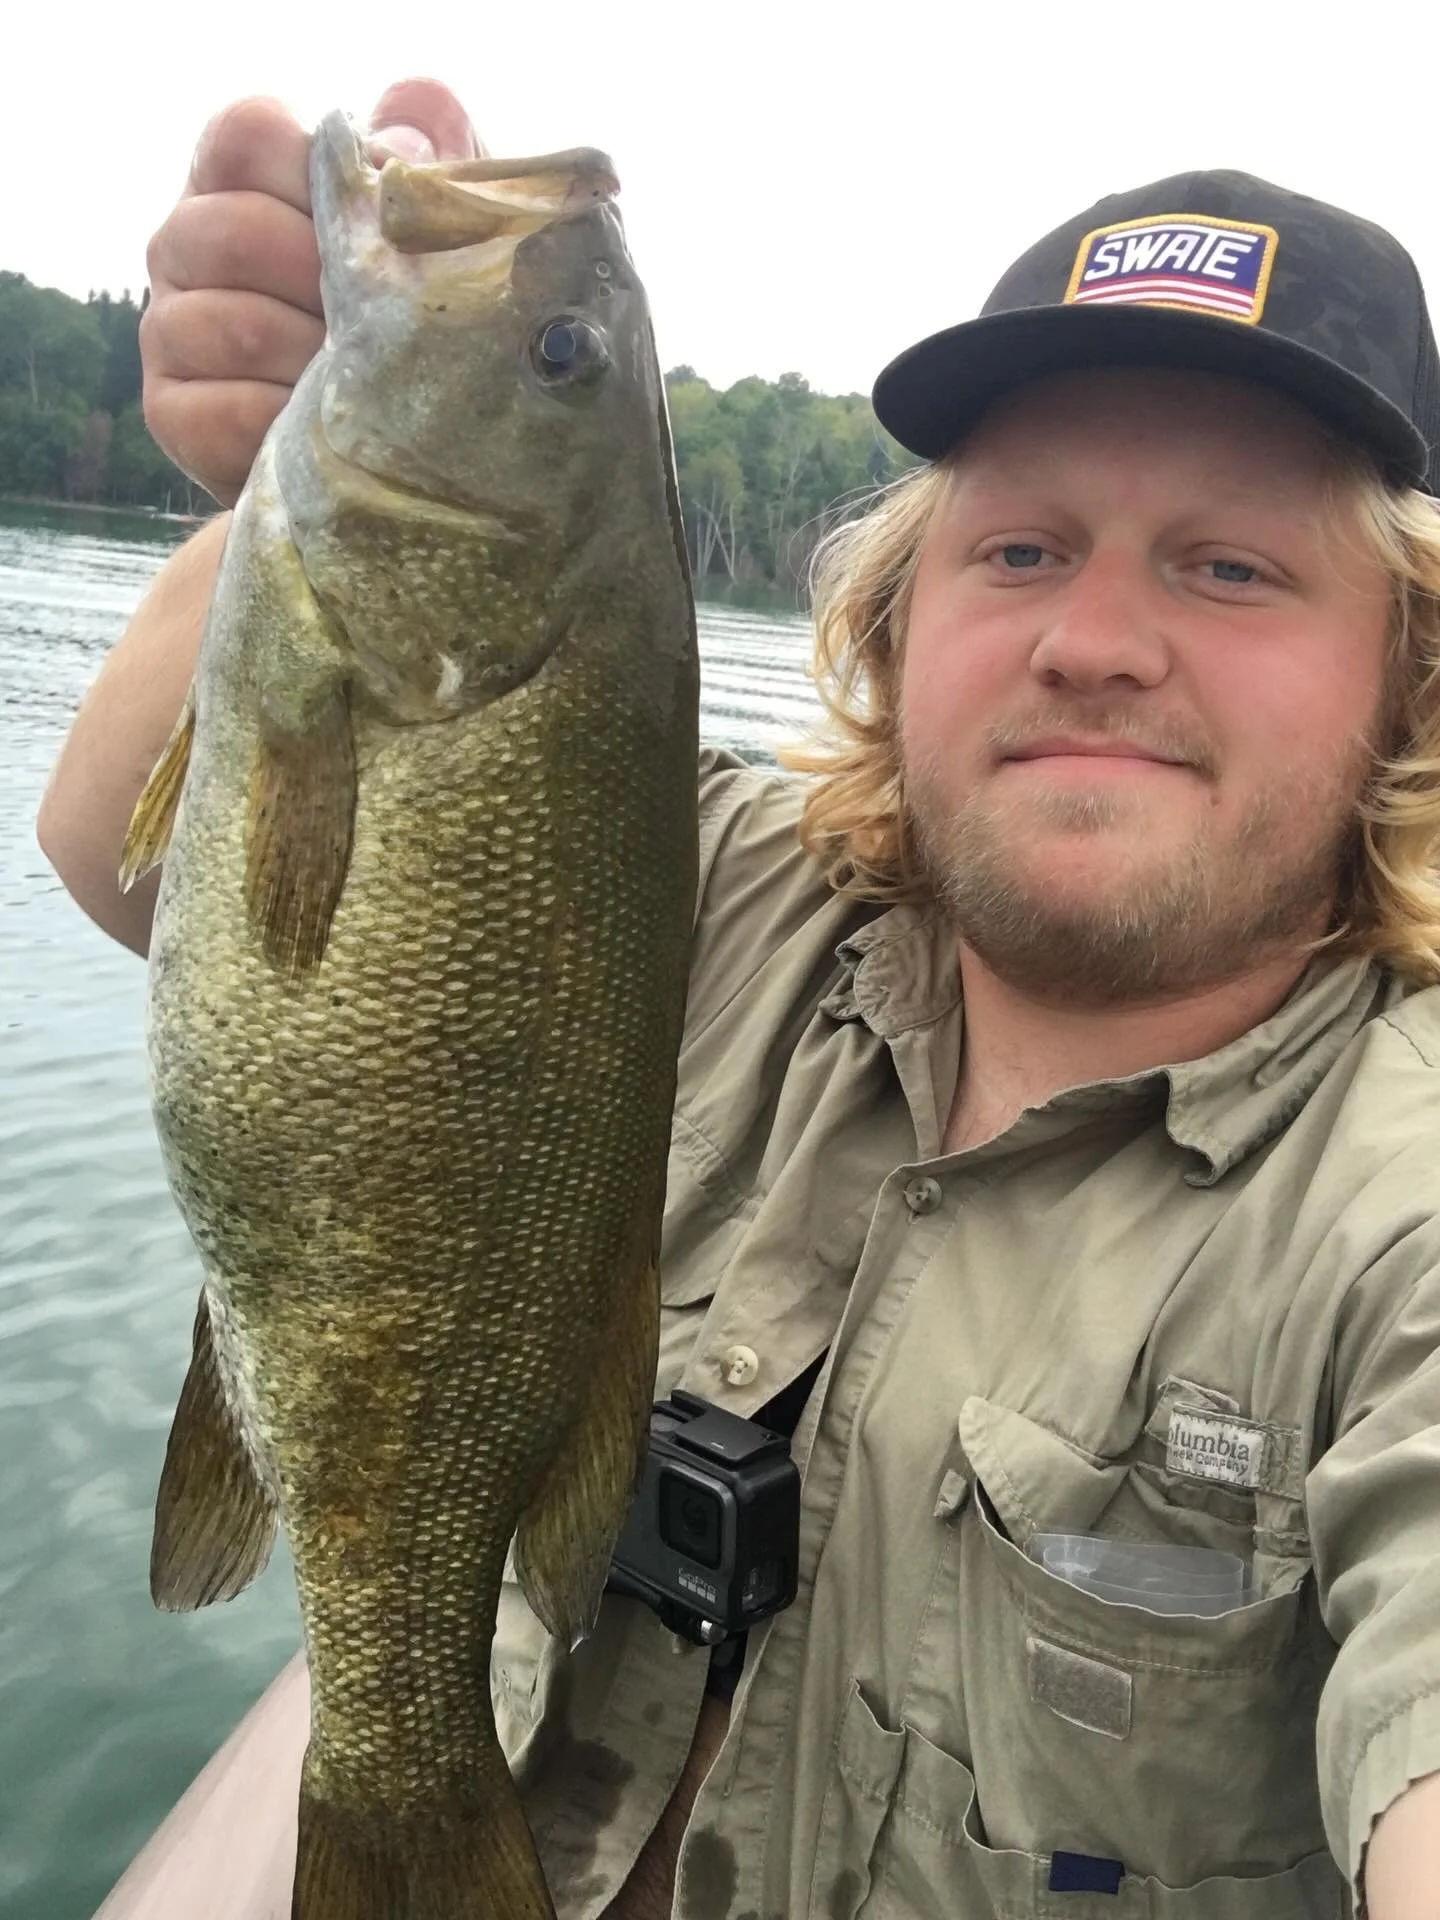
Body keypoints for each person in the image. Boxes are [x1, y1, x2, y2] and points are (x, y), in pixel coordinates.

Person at [38, 78, 1440, 1920]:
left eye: (1230, 566)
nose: (1094, 639)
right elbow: (124, 859)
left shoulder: (1397, 1216)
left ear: (1408, 668)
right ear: (895, 615)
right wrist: (289, 466)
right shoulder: (704, 879)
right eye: (1019, 549)